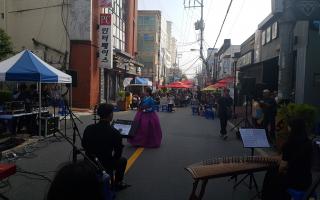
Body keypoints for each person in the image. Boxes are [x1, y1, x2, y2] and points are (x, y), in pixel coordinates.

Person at [262, 118, 313, 200]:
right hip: (307, 181)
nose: (288, 128)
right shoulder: (309, 143)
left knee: (270, 174)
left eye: (289, 126)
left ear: (292, 128)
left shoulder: (289, 144)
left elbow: (282, 168)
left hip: (294, 182)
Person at [82, 103, 129, 191]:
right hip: (105, 163)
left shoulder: (89, 128)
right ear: (110, 115)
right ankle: (118, 182)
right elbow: (118, 153)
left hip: (89, 161)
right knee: (123, 160)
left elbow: (84, 145)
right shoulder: (115, 132)